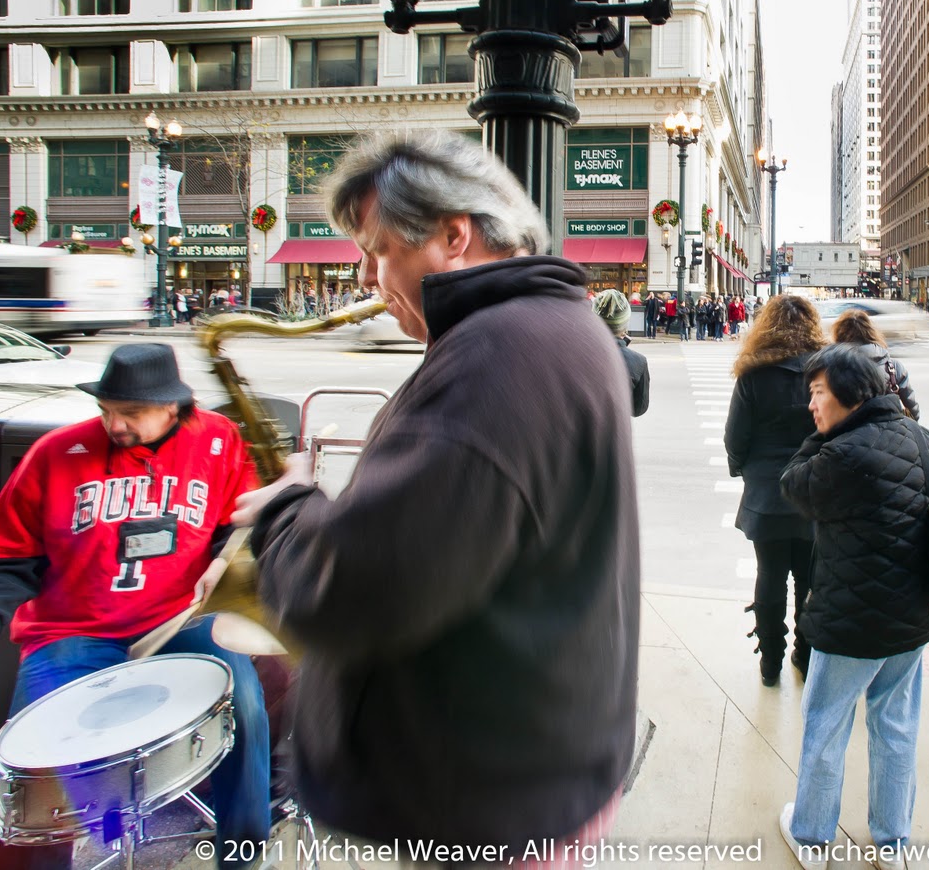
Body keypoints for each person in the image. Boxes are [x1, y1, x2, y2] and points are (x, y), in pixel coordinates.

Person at [232, 129, 639, 861]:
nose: (364, 278)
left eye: (376, 250)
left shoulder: (494, 356)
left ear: (454, 235)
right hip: (522, 775)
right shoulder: (551, 326)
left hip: (490, 808)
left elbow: (356, 589)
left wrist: (285, 512)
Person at [0, 344, 269, 869]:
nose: (115, 425)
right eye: (106, 411)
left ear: (173, 407)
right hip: (72, 633)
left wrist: (225, 562)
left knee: (243, 708)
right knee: (34, 768)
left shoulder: (218, 439)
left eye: (131, 414)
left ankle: (243, 852)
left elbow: (238, 527)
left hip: (178, 619)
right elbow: (1, 559)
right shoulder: (55, 454)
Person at [777, 344, 929, 870]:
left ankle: (812, 836)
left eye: (818, 393)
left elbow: (792, 484)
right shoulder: (923, 437)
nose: (812, 405)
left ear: (849, 395)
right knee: (895, 727)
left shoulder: (841, 454)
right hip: (910, 617)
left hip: (850, 620)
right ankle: (892, 843)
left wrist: (824, 435)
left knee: (826, 725)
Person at [725, 294, 827, 686]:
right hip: (813, 489)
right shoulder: (823, 372)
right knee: (809, 576)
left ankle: (770, 660)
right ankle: (805, 652)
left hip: (767, 492)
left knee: (769, 574)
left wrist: (744, 470)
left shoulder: (753, 374)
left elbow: (735, 437)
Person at [831, 308, 920, 419]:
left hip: (850, 432)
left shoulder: (833, 367)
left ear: (838, 334)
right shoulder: (893, 367)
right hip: (889, 431)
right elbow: (911, 407)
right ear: (871, 332)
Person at [593, 288, 649, 417]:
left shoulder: (574, 354)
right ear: (625, 325)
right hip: (615, 432)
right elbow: (638, 409)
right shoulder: (638, 361)